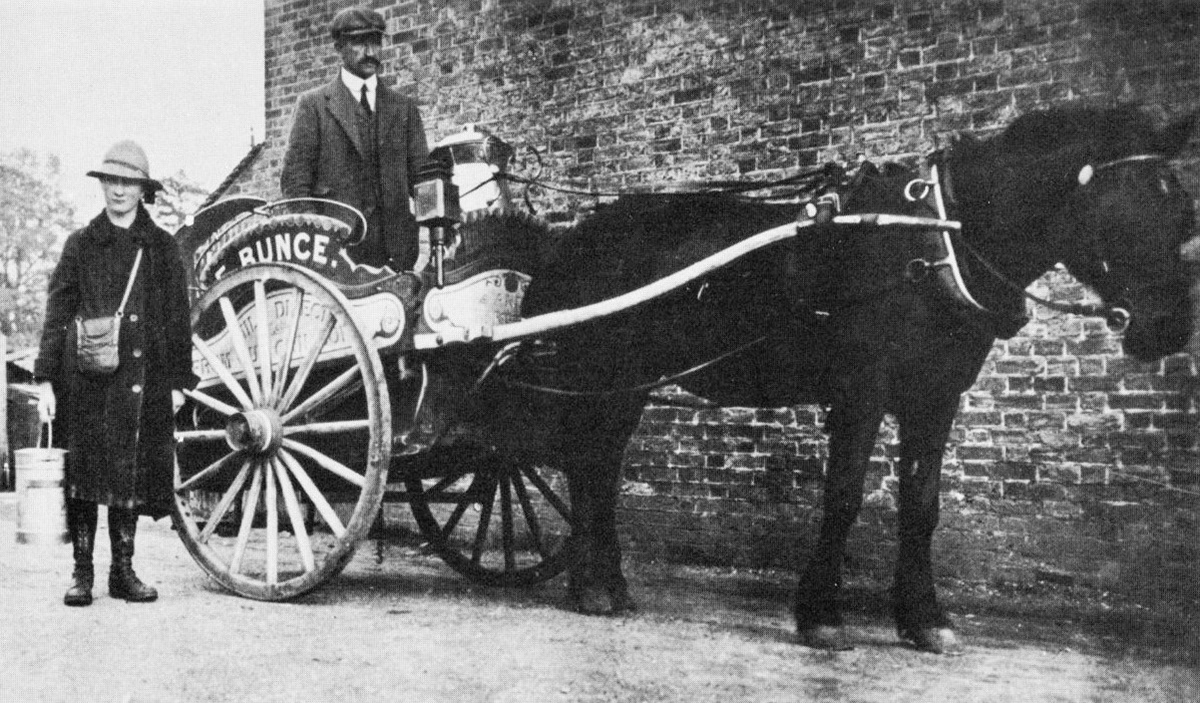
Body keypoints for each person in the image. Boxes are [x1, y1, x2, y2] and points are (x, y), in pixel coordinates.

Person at [34, 140, 196, 606]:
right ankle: (81, 574)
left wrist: (179, 384)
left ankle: (121, 572)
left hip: (140, 383)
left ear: (143, 189)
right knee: (84, 476)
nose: (117, 191)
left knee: (128, 475)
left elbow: (176, 321)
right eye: (110, 181)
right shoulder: (79, 245)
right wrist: (46, 381)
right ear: (101, 185)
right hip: (82, 380)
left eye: (127, 182)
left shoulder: (161, 248)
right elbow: (57, 314)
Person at [280, 5, 430, 269]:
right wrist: (316, 244)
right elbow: (295, 185)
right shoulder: (314, 106)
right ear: (339, 47)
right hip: (336, 257)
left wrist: (443, 223)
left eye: (375, 42)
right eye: (360, 43)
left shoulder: (403, 108)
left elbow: (424, 180)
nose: (371, 52)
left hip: (396, 257)